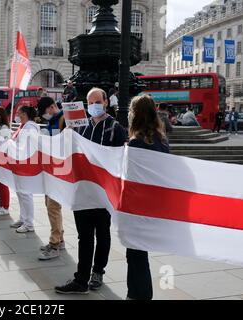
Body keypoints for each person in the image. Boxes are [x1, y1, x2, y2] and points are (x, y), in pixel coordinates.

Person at [55, 88, 126, 295]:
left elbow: (119, 159)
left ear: (105, 102)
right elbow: (69, 152)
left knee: (102, 235)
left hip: (102, 192)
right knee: (84, 236)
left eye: (97, 101)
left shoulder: (115, 127)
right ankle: (81, 279)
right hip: (83, 190)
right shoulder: (81, 126)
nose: (93, 105)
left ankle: (98, 272)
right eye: (90, 102)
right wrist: (66, 133)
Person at [126, 95, 170, 300]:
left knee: (135, 253)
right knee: (137, 252)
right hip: (155, 203)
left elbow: (131, 177)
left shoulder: (136, 142)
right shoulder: (161, 139)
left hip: (139, 205)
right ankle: (135, 293)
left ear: (134, 115)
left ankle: (140, 294)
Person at [37, 96, 66, 261]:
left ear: (51, 107)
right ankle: (59, 239)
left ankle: (54, 244)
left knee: (53, 207)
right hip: (51, 168)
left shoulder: (63, 120)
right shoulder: (53, 121)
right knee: (50, 205)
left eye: (44, 112)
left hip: (59, 170)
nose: (44, 115)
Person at [10, 106, 40, 233]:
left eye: (19, 113)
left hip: (26, 164)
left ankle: (29, 224)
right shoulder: (23, 126)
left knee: (26, 193)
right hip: (18, 163)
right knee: (20, 192)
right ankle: (23, 218)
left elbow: (29, 146)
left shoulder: (31, 127)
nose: (17, 115)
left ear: (25, 114)